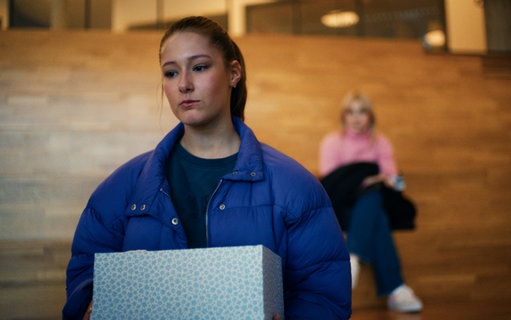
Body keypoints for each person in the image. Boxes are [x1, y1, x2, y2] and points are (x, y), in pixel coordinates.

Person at [63, 16, 351, 320]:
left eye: (199, 67)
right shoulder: (122, 187)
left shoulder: (295, 186)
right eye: (171, 73)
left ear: (233, 73)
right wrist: (92, 305)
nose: (184, 84)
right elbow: (86, 273)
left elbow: (324, 295)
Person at [319, 91, 423, 313]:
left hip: (372, 203)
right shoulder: (332, 142)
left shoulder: (381, 142)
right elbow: (332, 184)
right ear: (343, 116)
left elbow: (392, 178)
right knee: (377, 214)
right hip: (342, 207)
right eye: (351, 112)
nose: (356, 118)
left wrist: (382, 180)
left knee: (374, 197)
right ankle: (397, 289)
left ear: (370, 116)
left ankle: (353, 257)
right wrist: (366, 179)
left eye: (362, 111)